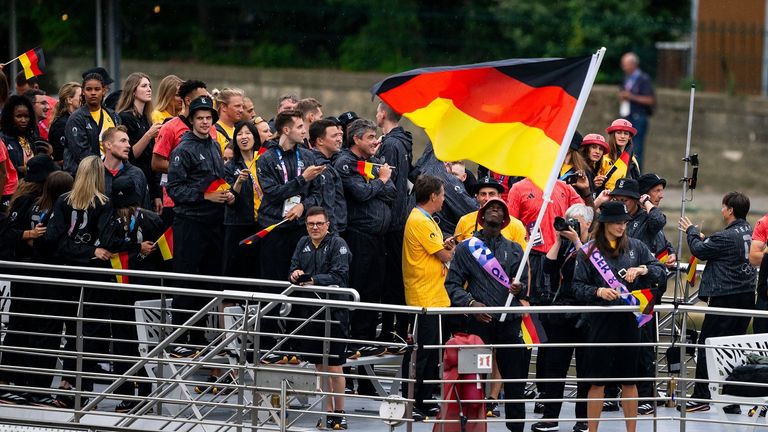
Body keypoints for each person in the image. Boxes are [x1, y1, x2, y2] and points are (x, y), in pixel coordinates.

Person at [573, 201, 665, 432]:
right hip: (600, 321)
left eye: (624, 222)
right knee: (597, 381)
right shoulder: (588, 251)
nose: (621, 226)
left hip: (630, 321)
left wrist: (643, 270)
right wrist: (598, 291)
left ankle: (631, 430)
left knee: (630, 380)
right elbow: (575, 286)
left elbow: (660, 271)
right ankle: (592, 429)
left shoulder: (637, 246)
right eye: (616, 222)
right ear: (604, 224)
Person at [445, 197, 528, 432]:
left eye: (500, 208)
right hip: (477, 328)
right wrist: (471, 304)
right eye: (490, 207)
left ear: (505, 219)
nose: (495, 210)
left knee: (515, 380)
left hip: (508, 324)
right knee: (473, 380)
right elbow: (452, 285)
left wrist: (519, 288)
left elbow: (525, 287)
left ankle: (516, 427)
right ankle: (471, 426)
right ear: (481, 216)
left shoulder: (515, 250)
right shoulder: (465, 248)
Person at [44, 155, 117, 405]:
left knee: (74, 331)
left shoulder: (64, 201)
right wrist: (89, 251)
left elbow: (54, 238)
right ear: (99, 176)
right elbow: (106, 242)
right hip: (91, 275)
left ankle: (69, 384)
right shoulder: (105, 203)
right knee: (88, 333)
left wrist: (75, 250)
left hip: (68, 272)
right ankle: (77, 388)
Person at [166, 96, 233, 357]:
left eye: (208, 118)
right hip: (190, 222)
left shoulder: (216, 146)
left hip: (214, 221)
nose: (205, 122)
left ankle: (201, 334)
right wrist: (204, 196)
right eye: (200, 118)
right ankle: (180, 337)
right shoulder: (183, 149)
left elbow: (219, 180)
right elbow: (174, 189)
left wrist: (228, 193)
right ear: (191, 120)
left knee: (210, 280)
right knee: (187, 278)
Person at [679, 192, 756, 412]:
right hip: (747, 297)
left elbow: (699, 251)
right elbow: (719, 248)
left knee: (707, 344)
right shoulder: (749, 232)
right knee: (734, 348)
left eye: (723, 207)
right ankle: (731, 401)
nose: (722, 211)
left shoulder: (725, 236)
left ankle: (702, 396)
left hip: (726, 298)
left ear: (730, 210)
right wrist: (705, 239)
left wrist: (691, 232)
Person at [0, 155, 60, 405]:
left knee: (30, 327)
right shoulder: (24, 201)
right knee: (20, 326)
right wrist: (28, 234)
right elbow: (5, 234)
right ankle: (6, 382)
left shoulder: (43, 201)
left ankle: (25, 385)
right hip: (25, 272)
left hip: (36, 273)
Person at [334, 118, 395, 362]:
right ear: (356, 139)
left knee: (373, 291)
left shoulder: (375, 162)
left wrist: (379, 183)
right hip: (358, 237)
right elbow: (361, 194)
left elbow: (392, 192)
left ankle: (367, 340)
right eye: (370, 137)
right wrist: (379, 180)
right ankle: (352, 343)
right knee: (358, 290)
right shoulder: (346, 163)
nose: (376, 141)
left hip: (378, 239)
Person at [288, 206, 352, 430]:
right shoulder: (302, 243)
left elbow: (340, 274)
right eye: (310, 224)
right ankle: (326, 412)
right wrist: (295, 274)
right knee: (319, 367)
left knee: (335, 367)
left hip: (334, 313)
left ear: (328, 225)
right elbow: (293, 266)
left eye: (319, 223)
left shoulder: (338, 244)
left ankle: (340, 412)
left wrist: (314, 280)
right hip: (310, 313)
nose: (314, 227)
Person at [531, 203, 594, 432]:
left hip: (587, 313)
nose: (572, 225)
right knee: (554, 366)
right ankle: (550, 417)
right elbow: (548, 268)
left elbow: (593, 266)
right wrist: (559, 239)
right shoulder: (564, 245)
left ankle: (583, 418)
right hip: (562, 313)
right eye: (569, 221)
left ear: (588, 223)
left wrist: (578, 240)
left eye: (576, 221)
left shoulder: (596, 244)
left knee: (586, 369)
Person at [103, 175, 163, 413]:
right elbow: (164, 257)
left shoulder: (108, 219)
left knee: (123, 343)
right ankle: (147, 393)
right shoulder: (152, 218)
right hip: (144, 292)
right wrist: (138, 248)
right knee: (145, 342)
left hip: (121, 289)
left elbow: (106, 244)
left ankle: (128, 395)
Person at [401, 175, 455, 421]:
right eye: (442, 194)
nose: (444, 199)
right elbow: (443, 255)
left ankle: (423, 397)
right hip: (424, 297)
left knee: (431, 351)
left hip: (434, 295)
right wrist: (450, 249)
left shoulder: (425, 219)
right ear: (433, 196)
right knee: (421, 352)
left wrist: (446, 246)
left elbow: (438, 249)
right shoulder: (419, 220)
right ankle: (413, 400)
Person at [506, 176, 585, 304]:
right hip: (531, 257)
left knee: (557, 303)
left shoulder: (565, 187)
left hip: (559, 256)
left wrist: (587, 193)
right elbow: (510, 227)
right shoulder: (518, 189)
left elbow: (585, 215)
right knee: (531, 304)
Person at [375, 101, 414, 347]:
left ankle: (392, 332)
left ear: (382, 114)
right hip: (401, 219)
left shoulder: (390, 144)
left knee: (391, 280)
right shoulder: (404, 142)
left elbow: (389, 184)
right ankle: (399, 329)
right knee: (397, 278)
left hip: (392, 221)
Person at [151, 79, 213, 227]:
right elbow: (156, 163)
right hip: (175, 202)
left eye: (207, 98)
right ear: (188, 100)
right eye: (201, 98)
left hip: (207, 200)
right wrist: (189, 170)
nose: (205, 101)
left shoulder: (211, 127)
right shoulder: (170, 127)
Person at [116, 72, 162, 213]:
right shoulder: (125, 117)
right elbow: (130, 155)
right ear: (133, 91)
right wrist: (148, 135)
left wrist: (156, 194)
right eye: (143, 86)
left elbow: (151, 159)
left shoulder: (147, 119)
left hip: (148, 181)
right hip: (132, 181)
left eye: (149, 86)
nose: (149, 89)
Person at [223, 120, 263, 278]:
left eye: (248, 133)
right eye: (239, 134)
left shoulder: (264, 161)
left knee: (257, 271)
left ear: (255, 137)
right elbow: (229, 200)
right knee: (235, 271)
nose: (244, 137)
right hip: (238, 225)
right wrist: (238, 182)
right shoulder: (230, 166)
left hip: (262, 223)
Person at [63, 72, 121, 175]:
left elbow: (121, 146)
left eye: (97, 89)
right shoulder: (76, 119)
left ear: (103, 91)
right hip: (85, 175)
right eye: (89, 89)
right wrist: (105, 170)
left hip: (113, 172)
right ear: (83, 92)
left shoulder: (113, 116)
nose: (93, 93)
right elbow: (82, 154)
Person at [455, 176, 527, 248]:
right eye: (483, 194)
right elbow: (457, 252)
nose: (487, 198)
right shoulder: (464, 221)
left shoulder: (516, 225)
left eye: (491, 194)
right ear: (477, 197)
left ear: (499, 196)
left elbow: (522, 256)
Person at [308, 118, 346, 233]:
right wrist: (333, 234)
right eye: (334, 136)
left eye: (339, 135)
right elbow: (327, 206)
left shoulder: (326, 164)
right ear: (320, 141)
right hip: (330, 231)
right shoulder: (320, 167)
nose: (339, 139)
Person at [619, 52, 655, 168]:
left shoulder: (643, 79)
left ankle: (637, 175)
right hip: (627, 116)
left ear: (633, 64)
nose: (624, 67)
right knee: (625, 148)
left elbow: (650, 100)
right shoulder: (626, 78)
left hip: (638, 117)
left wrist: (630, 96)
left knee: (637, 148)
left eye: (626, 64)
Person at [102, 125, 150, 209]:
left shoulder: (137, 174)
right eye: (123, 141)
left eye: (128, 141)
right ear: (108, 145)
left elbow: (145, 209)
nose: (128, 145)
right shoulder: (95, 173)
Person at [596, 119, 641, 191]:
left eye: (626, 133)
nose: (622, 136)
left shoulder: (633, 160)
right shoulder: (603, 157)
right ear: (613, 135)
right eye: (619, 133)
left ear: (629, 137)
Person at [0, 95, 38, 178]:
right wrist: (19, 169)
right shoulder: (3, 139)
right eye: (19, 116)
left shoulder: (30, 137)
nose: (23, 120)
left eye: (26, 116)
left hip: (31, 185)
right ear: (10, 117)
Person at [48, 82, 82, 165]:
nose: (85, 98)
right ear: (69, 100)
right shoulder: (61, 124)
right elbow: (60, 157)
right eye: (81, 96)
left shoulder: (79, 120)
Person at [214, 88, 245, 152]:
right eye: (237, 106)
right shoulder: (214, 132)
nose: (241, 110)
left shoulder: (239, 131)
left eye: (242, 106)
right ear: (224, 107)